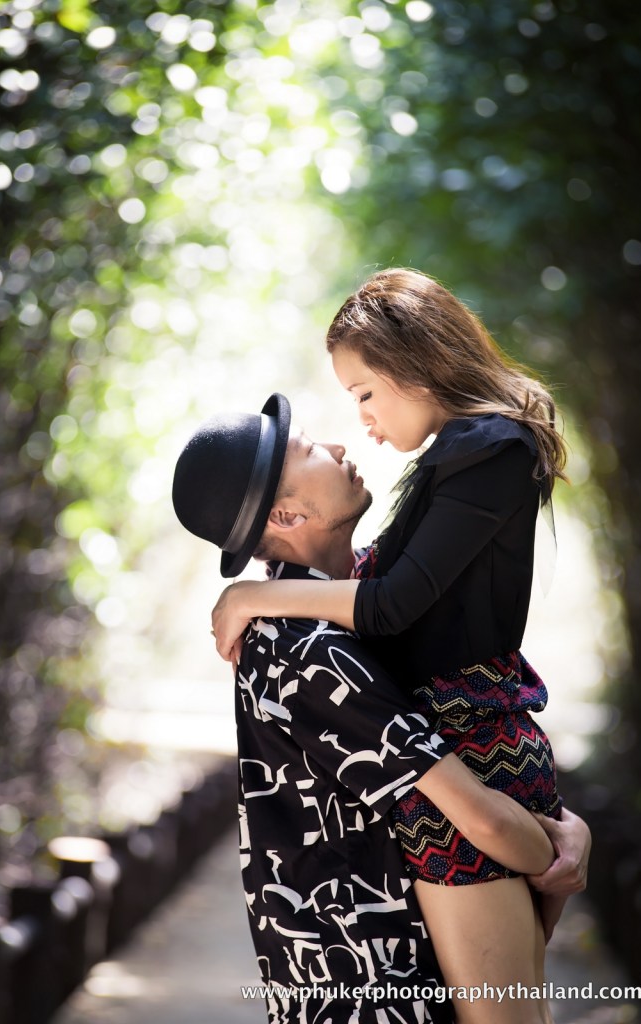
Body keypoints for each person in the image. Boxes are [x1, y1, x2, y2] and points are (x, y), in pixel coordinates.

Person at [211, 270, 578, 1024]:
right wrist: (560, 850)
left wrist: (254, 593)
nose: (359, 424)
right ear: (282, 511)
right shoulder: (307, 646)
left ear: (415, 363)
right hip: (463, 781)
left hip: (480, 747)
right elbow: (386, 599)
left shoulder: (486, 448)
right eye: (350, 403)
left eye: (363, 392)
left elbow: (390, 603)